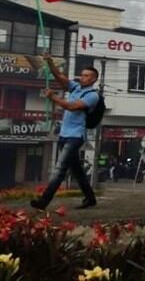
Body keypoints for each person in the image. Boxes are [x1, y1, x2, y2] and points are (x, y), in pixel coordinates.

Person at [30, 53, 99, 210]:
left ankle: (43, 202)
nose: (82, 77)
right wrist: (50, 62)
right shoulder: (75, 88)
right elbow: (60, 77)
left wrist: (53, 97)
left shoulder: (92, 96)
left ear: (93, 79)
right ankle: (90, 198)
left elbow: (72, 107)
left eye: (86, 76)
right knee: (77, 171)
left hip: (75, 136)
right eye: (82, 75)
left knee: (60, 169)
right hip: (64, 135)